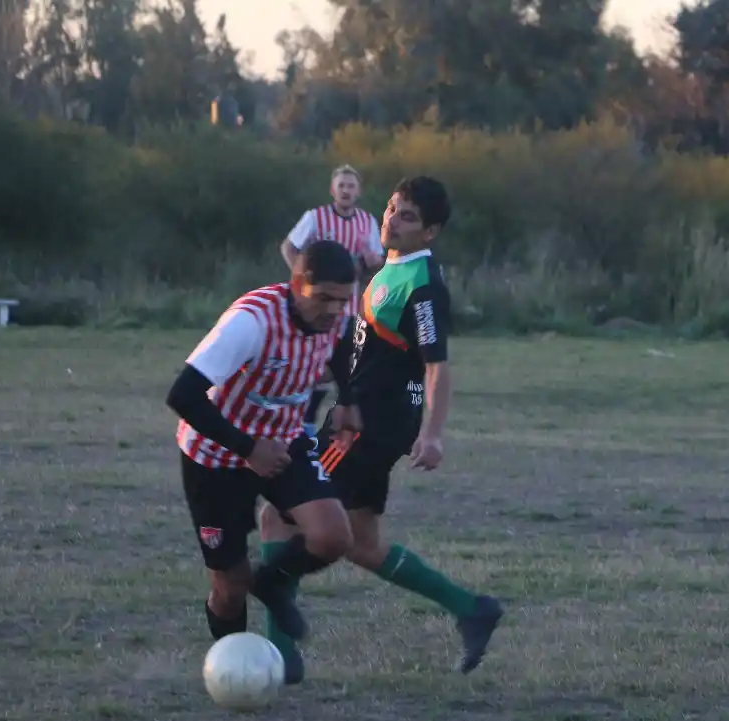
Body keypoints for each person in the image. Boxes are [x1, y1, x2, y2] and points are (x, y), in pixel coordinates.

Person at [260, 176, 504, 684]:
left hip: (369, 426)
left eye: (407, 216)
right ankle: (471, 608)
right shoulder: (389, 268)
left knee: (280, 516)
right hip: (370, 419)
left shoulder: (422, 285)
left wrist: (432, 434)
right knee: (362, 542)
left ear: (430, 231)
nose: (391, 219)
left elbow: (436, 365)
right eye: (391, 208)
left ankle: (278, 651)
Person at [166, 240, 359, 682]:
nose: (334, 310)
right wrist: (248, 448)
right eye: (323, 298)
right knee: (229, 587)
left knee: (332, 537)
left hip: (284, 441)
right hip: (215, 457)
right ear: (297, 284)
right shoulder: (250, 322)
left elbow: (342, 345)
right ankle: (234, 671)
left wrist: (347, 400)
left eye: (342, 300)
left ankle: (271, 582)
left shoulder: (335, 313)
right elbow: (183, 395)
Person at [281, 165, 386, 426]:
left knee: (346, 366)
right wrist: (302, 279)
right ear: (332, 190)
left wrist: (374, 262)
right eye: (341, 186)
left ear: (358, 191)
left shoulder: (367, 222)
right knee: (316, 363)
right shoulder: (315, 218)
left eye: (351, 186)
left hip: (349, 309)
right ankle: (303, 420)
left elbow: (377, 260)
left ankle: (336, 424)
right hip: (317, 307)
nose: (346, 191)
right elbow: (289, 247)